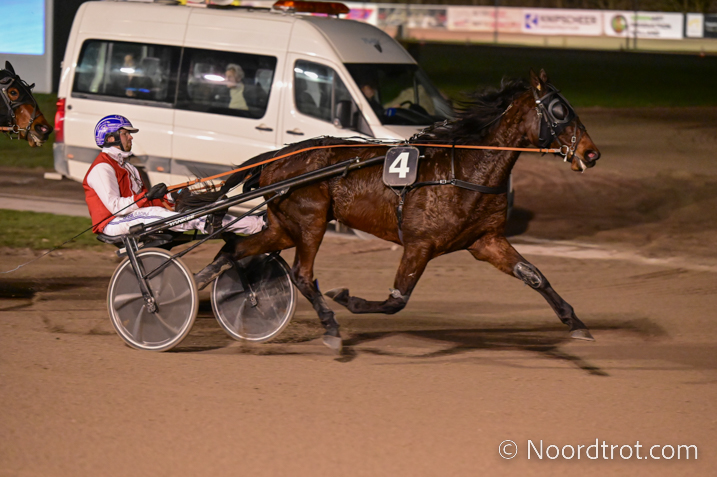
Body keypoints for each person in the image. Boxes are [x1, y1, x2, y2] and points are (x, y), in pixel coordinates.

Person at [83, 114, 264, 236]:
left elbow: (144, 201)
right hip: (113, 222)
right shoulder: (102, 168)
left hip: (134, 215)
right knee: (184, 218)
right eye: (125, 133)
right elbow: (116, 207)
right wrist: (147, 196)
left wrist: (169, 197)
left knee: (197, 211)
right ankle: (254, 225)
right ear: (110, 138)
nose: (131, 137)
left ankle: (256, 222)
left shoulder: (129, 167)